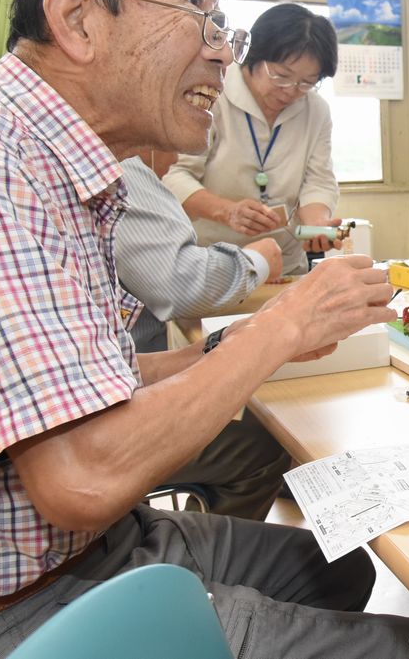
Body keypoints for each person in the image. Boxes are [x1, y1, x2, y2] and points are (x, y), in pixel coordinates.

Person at [0, 0, 409, 657]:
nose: (220, 52)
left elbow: (77, 380)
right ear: (78, 18)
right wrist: (282, 325)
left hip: (98, 542)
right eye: (197, 14)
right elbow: (77, 476)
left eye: (224, 28)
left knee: (333, 565)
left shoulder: (56, 166)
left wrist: (227, 348)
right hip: (23, 603)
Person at [117, 149, 291, 521]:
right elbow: (181, 285)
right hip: (106, 418)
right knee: (261, 445)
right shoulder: (123, 169)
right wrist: (255, 262)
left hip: (119, 388)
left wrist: (223, 344)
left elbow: (122, 366)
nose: (178, 156)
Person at [163, 2, 344, 276]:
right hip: (214, 262)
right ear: (254, 56)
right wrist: (227, 211)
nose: (292, 91)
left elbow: (318, 179)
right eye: (282, 76)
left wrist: (316, 224)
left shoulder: (315, 110)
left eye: (307, 82)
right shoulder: (212, 94)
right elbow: (174, 175)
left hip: (286, 263)